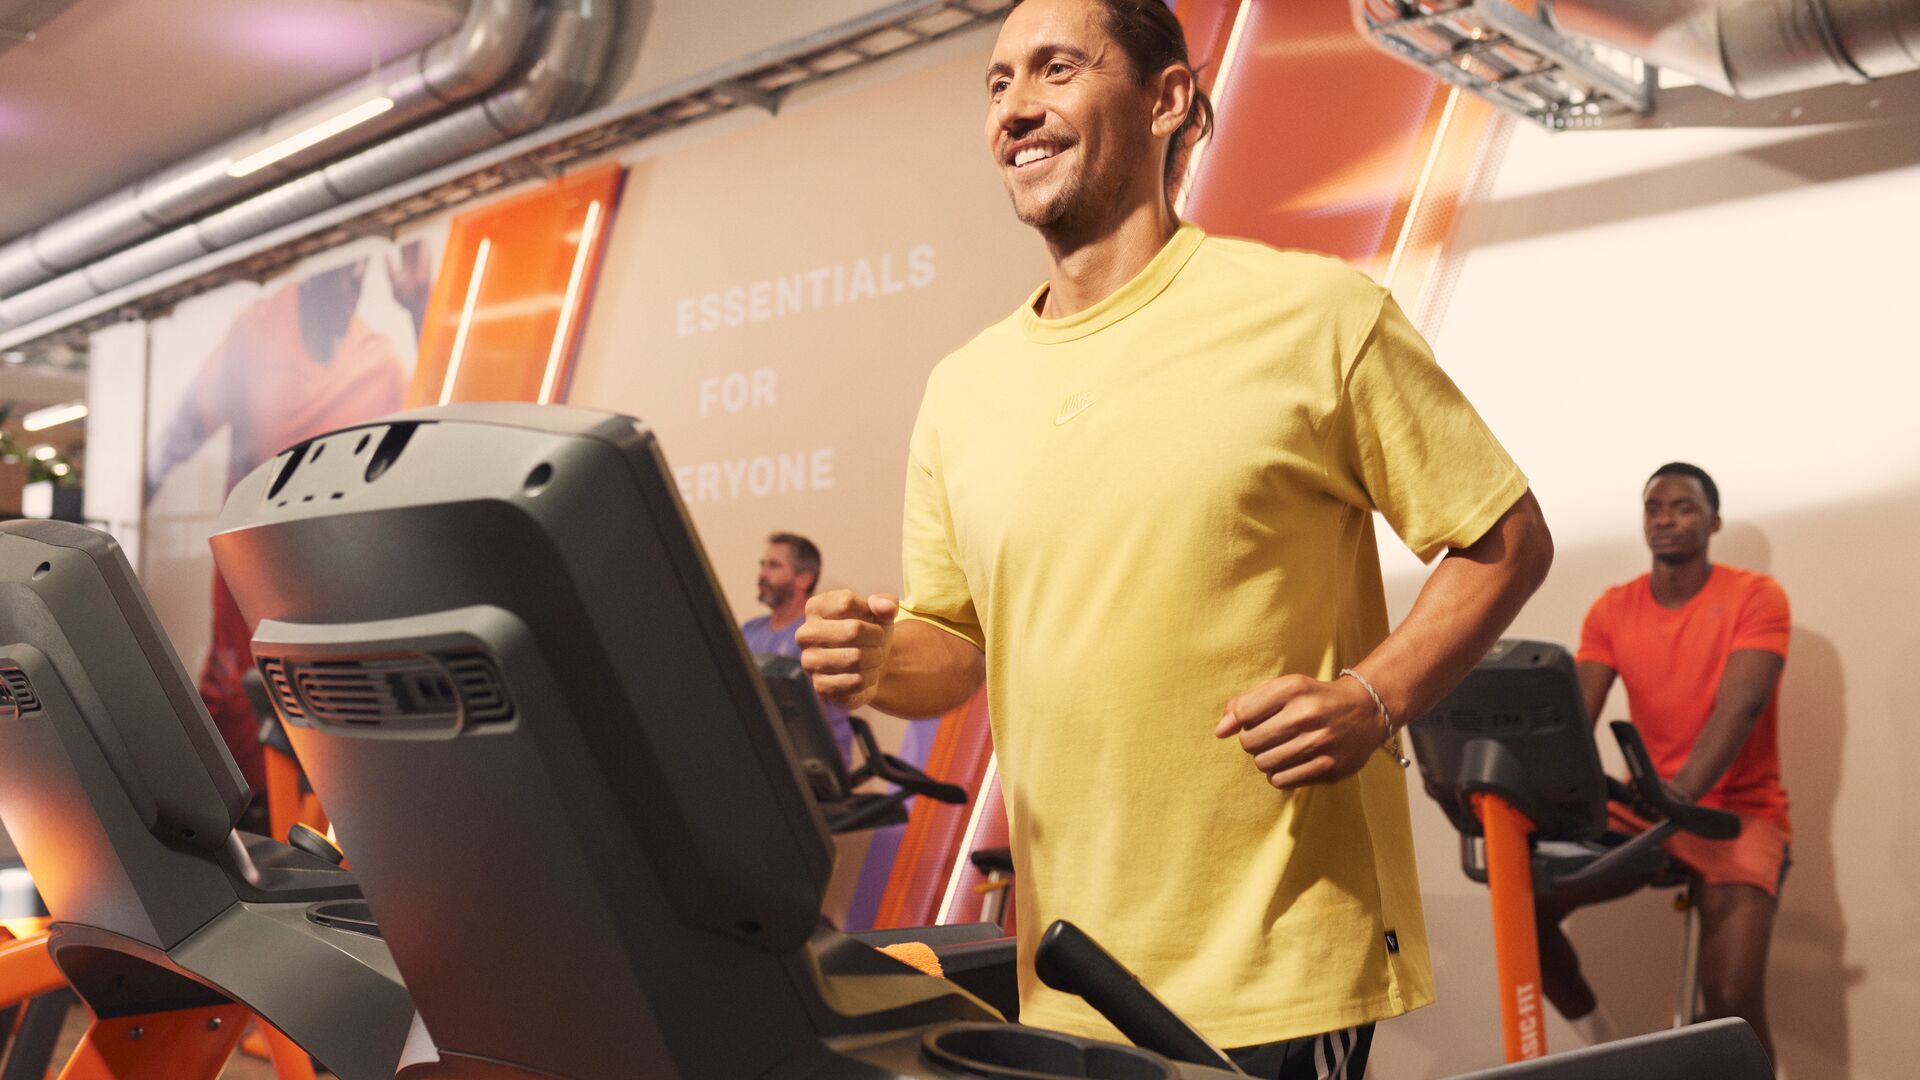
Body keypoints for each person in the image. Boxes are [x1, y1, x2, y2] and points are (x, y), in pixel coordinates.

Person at [798, 1, 1554, 1076]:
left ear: (1167, 100)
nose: (1016, 107)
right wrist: (880, 662)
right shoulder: (961, 391)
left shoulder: (1315, 315)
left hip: (1278, 966)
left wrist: (1375, 697)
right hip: (1067, 972)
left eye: (1056, 69)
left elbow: (1505, 540)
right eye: (998, 83)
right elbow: (952, 645)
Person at [147, 244, 433, 802]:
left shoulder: (378, 362)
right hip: (246, 610)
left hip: (335, 609)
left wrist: (420, 308)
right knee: (237, 724)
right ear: (308, 278)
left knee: (329, 760)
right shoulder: (258, 331)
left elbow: (443, 432)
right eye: (340, 267)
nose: (353, 278)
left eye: (361, 267)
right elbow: (174, 439)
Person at [1544, 463, 1790, 1059]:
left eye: (1682, 507)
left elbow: (1742, 706)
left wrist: (1678, 797)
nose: (1665, 518)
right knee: (1522, 907)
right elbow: (1575, 719)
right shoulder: (1613, 609)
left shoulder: (1755, 596)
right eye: (1654, 507)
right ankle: (1604, 1048)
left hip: (1738, 812)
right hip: (1648, 808)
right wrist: (1543, 790)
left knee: (1730, 995)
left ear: (1714, 520)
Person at [741, 532, 852, 763]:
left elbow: (807, 714)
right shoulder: (749, 631)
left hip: (809, 764)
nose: (762, 574)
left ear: (804, 579)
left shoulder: (820, 633)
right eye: (762, 565)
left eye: (774, 566)